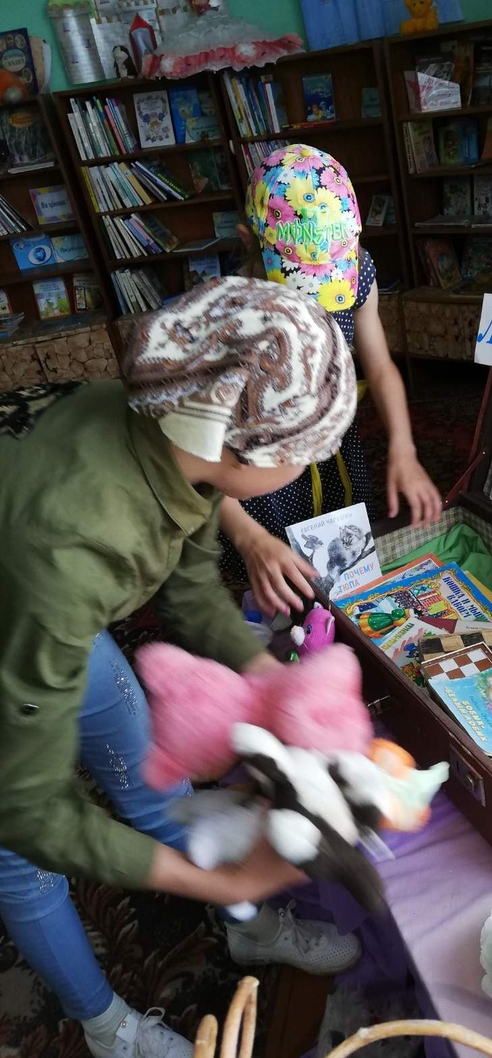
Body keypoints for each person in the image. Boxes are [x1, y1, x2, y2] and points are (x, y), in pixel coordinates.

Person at [0, 278, 363, 1058]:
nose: (310, 467)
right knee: (21, 855)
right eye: (306, 454)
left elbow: (191, 587)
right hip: (29, 593)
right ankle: (108, 1030)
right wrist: (223, 879)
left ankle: (244, 927)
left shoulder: (169, 426)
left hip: (36, 589)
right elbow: (27, 811)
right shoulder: (73, 550)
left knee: (143, 768)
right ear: (245, 448)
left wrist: (278, 685)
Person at [217, 144, 443, 617]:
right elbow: (194, 456)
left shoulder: (356, 269)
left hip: (334, 450)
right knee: (277, 587)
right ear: (246, 241)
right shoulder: (226, 316)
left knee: (344, 570)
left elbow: (379, 365)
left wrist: (403, 447)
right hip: (259, 470)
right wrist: (247, 536)